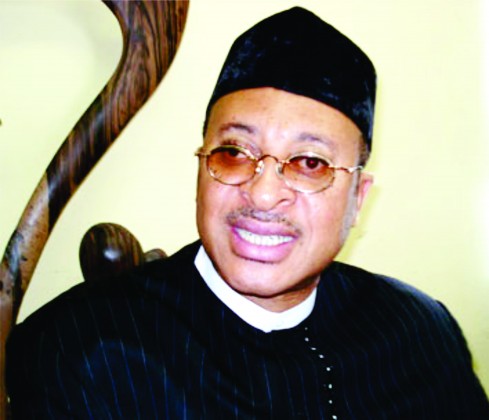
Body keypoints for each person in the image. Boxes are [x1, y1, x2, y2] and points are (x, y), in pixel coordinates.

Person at [6, 7, 489, 419]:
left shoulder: (421, 331)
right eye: (234, 153)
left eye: (309, 163)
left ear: (357, 198)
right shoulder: (79, 349)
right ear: (202, 166)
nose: (262, 195)